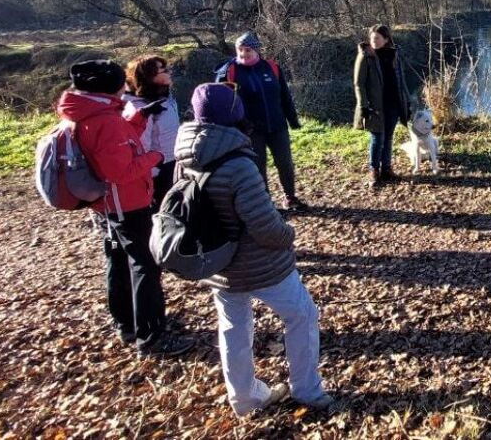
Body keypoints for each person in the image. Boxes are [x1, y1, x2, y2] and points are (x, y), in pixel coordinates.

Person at [176, 83, 334, 417]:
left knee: (233, 327)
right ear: (233, 114)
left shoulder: (185, 155)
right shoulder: (238, 164)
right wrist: (289, 234)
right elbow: (266, 227)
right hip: (260, 264)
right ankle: (306, 389)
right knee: (302, 314)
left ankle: (244, 398)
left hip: (218, 264)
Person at [56, 59, 193, 358]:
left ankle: (126, 323)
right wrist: (154, 157)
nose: (125, 86)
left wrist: (138, 121)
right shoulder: (103, 119)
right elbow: (120, 170)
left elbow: (117, 146)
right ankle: (152, 336)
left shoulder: (91, 111)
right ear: (109, 85)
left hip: (107, 204)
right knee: (145, 263)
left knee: (117, 258)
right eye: (120, 82)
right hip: (126, 202)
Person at [214, 31, 305, 210]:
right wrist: (236, 126)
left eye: (247, 49)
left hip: (277, 125)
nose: (243, 53)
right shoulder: (229, 71)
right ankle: (265, 204)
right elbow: (221, 103)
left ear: (257, 50)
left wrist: (292, 120)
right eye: (240, 49)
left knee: (285, 163)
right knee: (257, 167)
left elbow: (285, 96)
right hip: (249, 129)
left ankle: (291, 197)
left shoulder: (271, 67)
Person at [353, 24, 411, 186]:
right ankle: (374, 170)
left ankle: (386, 169)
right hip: (375, 106)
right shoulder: (365, 56)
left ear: (386, 39)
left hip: (393, 103)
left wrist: (407, 100)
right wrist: (364, 105)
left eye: (377, 38)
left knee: (389, 137)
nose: (374, 41)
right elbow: (359, 84)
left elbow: (401, 79)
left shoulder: (394, 54)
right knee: (378, 137)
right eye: (372, 38)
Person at [122, 55, 179, 209]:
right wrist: (152, 171)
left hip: (173, 161)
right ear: (149, 76)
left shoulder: (165, 97)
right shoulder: (140, 108)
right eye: (163, 70)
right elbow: (141, 144)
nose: (169, 72)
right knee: (162, 210)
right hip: (159, 170)